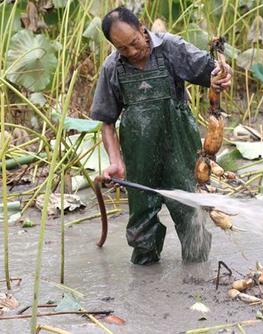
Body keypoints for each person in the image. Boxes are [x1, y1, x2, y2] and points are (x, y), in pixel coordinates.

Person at [90, 6, 232, 265]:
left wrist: (222, 75)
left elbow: (212, 71)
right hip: (140, 155)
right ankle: (145, 281)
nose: (133, 52)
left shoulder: (171, 48)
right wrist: (115, 161)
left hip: (180, 148)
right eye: (123, 49)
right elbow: (107, 122)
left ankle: (197, 279)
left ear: (142, 28)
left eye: (134, 42)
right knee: (141, 223)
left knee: (191, 216)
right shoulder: (112, 68)